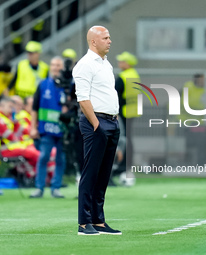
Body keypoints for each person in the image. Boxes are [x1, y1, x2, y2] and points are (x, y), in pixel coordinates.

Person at [73, 25, 121, 235]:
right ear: (93, 41)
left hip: (111, 122)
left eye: (109, 37)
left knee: (103, 175)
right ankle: (84, 223)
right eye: (105, 38)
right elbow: (83, 98)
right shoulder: (84, 65)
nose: (110, 41)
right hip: (97, 123)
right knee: (90, 173)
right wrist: (96, 124)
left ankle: (98, 220)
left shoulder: (105, 64)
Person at [29, 57, 67, 199]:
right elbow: (34, 108)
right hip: (46, 129)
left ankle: (55, 188)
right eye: (53, 64)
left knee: (61, 158)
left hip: (63, 129)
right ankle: (39, 188)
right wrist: (33, 128)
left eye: (58, 65)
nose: (55, 67)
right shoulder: (43, 85)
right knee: (44, 156)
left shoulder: (68, 85)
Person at [0, 97, 40, 174]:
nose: (11, 110)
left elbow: (21, 132)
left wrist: (15, 122)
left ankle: (31, 175)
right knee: (34, 153)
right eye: (10, 107)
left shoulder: (5, 117)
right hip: (6, 149)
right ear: (2, 106)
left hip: (12, 147)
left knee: (37, 151)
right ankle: (32, 176)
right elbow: (12, 137)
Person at [115, 51, 140, 172]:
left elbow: (115, 95)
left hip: (123, 112)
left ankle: (122, 166)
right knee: (129, 139)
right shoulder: (135, 74)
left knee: (123, 139)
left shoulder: (123, 77)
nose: (120, 63)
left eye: (122, 61)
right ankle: (127, 165)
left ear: (128, 63)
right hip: (132, 111)